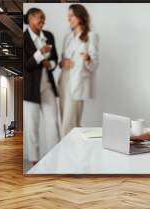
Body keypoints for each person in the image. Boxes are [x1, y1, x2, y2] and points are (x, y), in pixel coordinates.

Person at [23, 8, 61, 164]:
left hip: (47, 87)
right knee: (32, 128)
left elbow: (55, 59)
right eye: (40, 18)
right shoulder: (23, 38)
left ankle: (57, 157)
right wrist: (40, 53)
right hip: (30, 89)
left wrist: (49, 63)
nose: (43, 22)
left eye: (44, 19)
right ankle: (34, 161)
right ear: (30, 18)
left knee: (53, 124)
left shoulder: (49, 36)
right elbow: (26, 65)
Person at [58, 4, 99, 137]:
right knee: (66, 119)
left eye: (72, 16)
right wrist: (63, 62)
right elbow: (62, 60)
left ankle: (67, 154)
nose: (69, 19)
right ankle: (74, 153)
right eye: (68, 16)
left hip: (77, 82)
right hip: (64, 80)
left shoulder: (91, 36)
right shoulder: (67, 37)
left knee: (69, 124)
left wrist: (87, 59)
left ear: (80, 17)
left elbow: (94, 64)